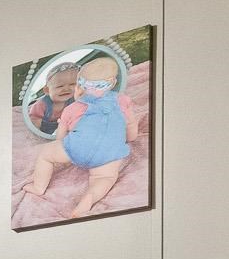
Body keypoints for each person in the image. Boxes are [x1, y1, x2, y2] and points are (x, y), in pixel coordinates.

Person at [20, 55, 141, 218]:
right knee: (105, 177)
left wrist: (63, 143)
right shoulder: (123, 101)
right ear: (112, 82)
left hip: (78, 148)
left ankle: (38, 187)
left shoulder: (75, 107)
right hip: (110, 154)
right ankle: (90, 199)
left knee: (46, 155)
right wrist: (130, 138)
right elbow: (131, 127)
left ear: (80, 85)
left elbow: (61, 136)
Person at [23, 61, 80, 136]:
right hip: (42, 131)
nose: (66, 89)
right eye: (60, 86)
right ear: (47, 90)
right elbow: (34, 123)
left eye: (72, 84)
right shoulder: (41, 105)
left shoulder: (73, 100)